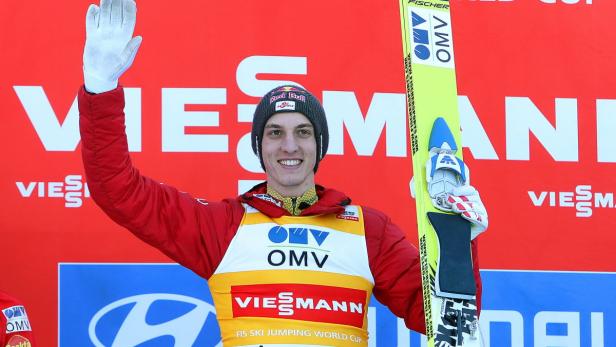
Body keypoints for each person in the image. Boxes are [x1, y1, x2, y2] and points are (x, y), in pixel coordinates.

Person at [79, 0, 488, 345]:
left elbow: (436, 318)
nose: (289, 146)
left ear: (319, 146)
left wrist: (457, 246)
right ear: (258, 147)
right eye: (274, 133)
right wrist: (101, 90)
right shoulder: (222, 226)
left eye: (303, 133)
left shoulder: (369, 230)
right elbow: (117, 191)